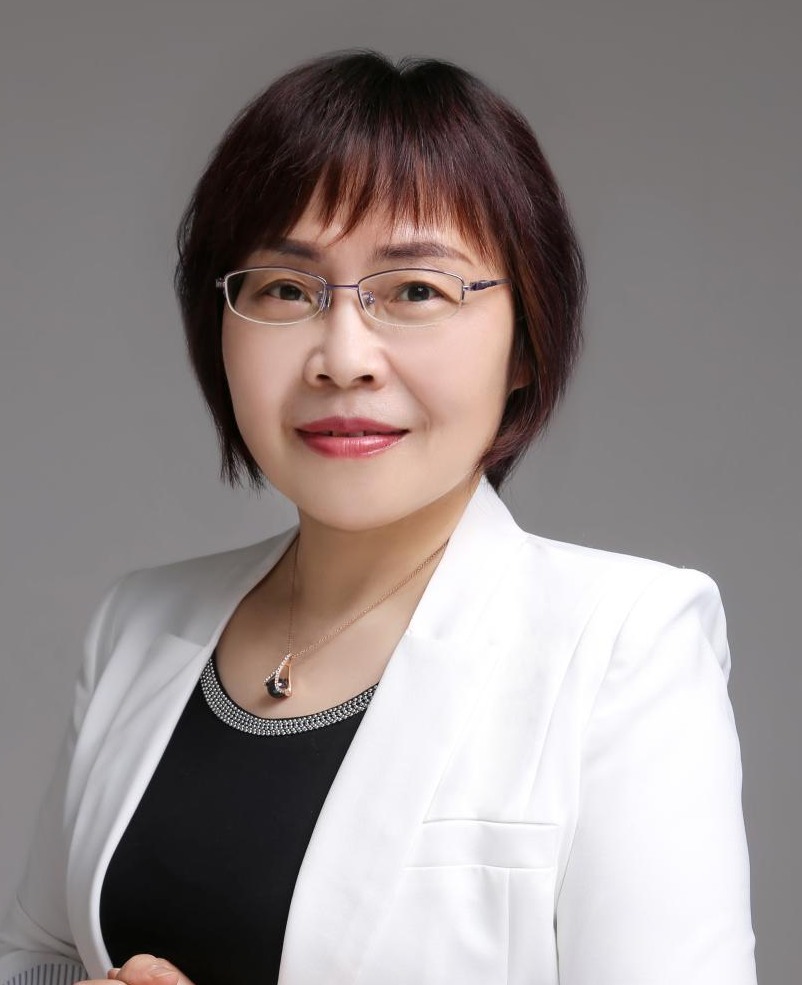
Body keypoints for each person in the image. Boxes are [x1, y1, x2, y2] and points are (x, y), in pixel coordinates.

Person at [0, 50, 757, 985]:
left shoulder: (624, 644)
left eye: (415, 291)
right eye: (287, 289)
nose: (344, 356)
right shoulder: (139, 621)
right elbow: (38, 952)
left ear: (526, 341)